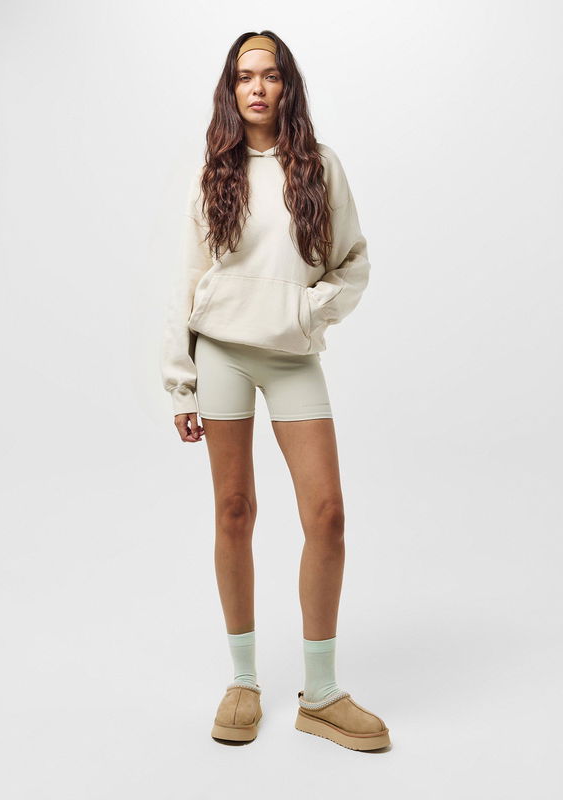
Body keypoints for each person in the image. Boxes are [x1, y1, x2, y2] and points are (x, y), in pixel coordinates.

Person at [159, 31, 390, 751]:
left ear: (288, 86)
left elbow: (353, 262)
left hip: (292, 358)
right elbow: (187, 279)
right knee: (235, 511)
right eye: (243, 76)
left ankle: (321, 694)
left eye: (269, 75)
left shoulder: (320, 166)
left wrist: (307, 313)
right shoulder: (214, 174)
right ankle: (243, 683)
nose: (256, 88)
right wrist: (181, 382)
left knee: (327, 515)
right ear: (230, 91)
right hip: (222, 352)